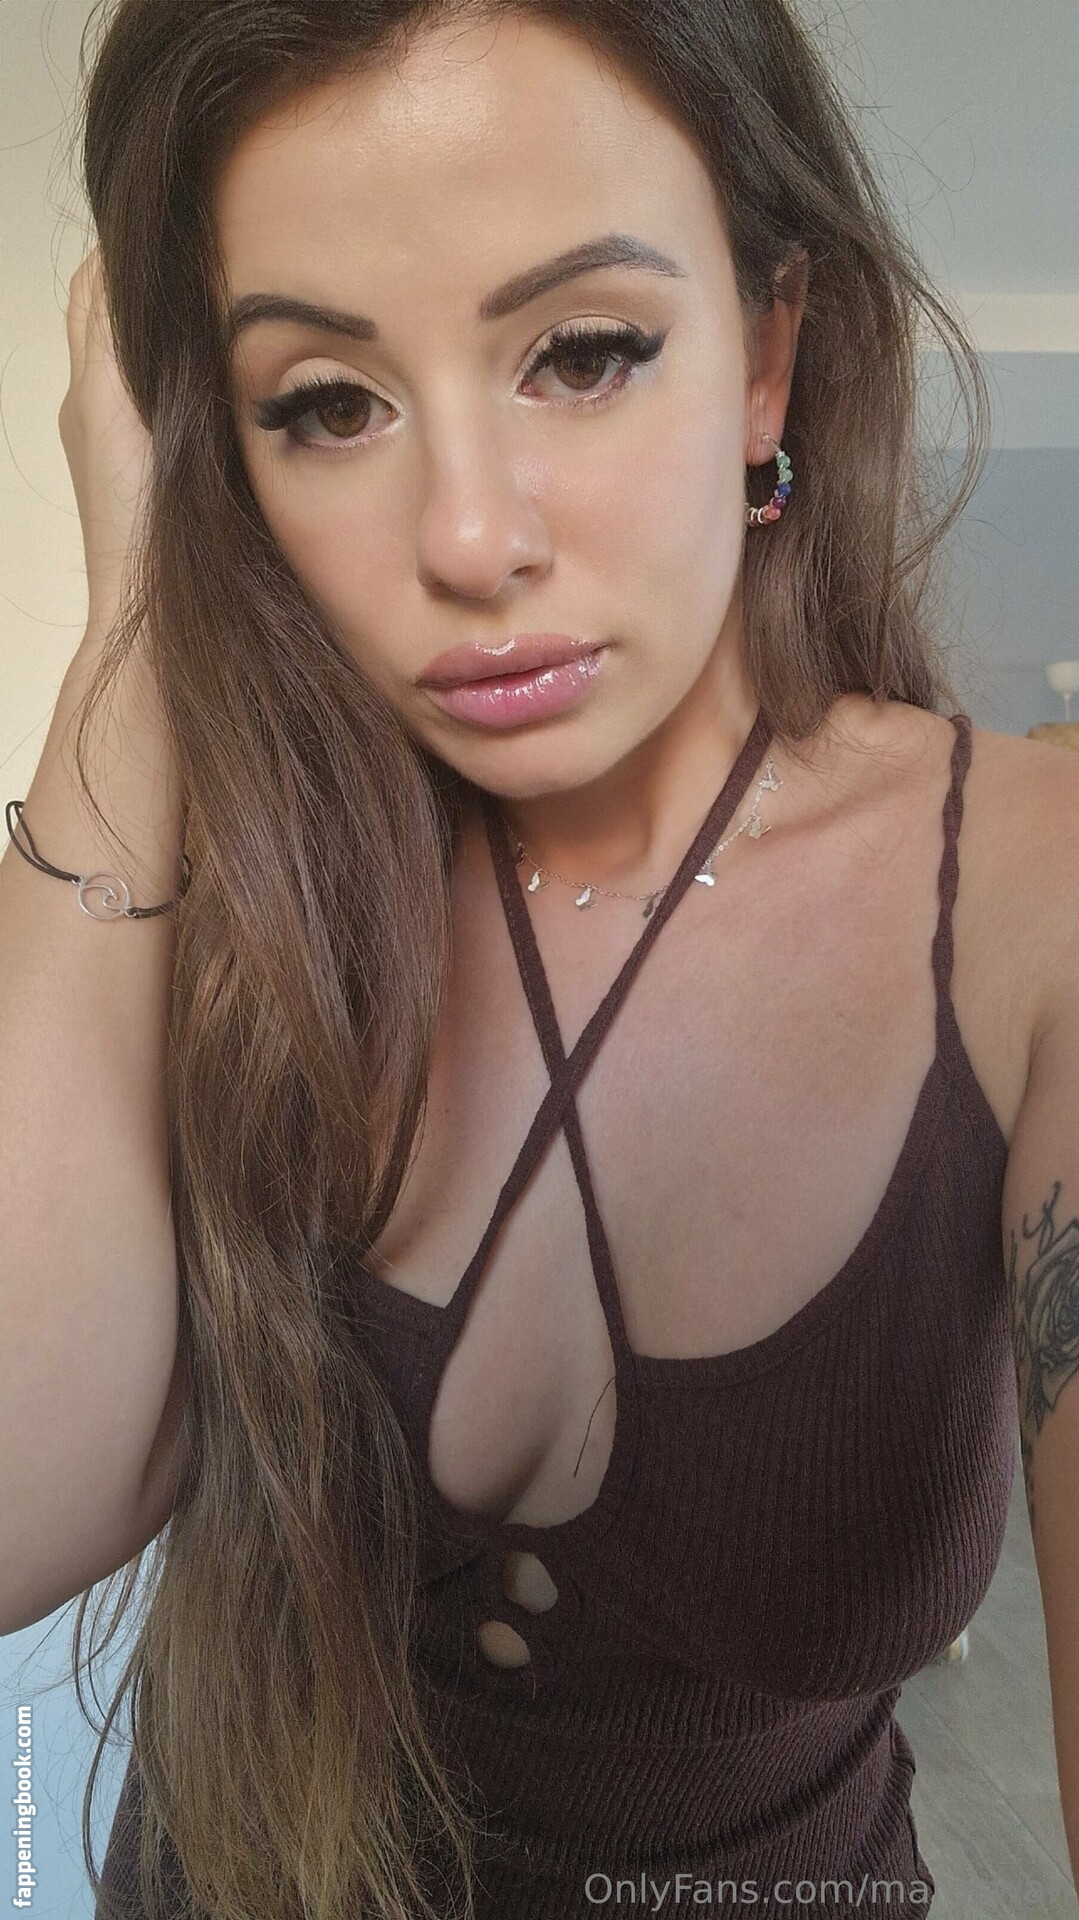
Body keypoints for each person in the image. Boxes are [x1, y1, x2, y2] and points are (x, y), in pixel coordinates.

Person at [1, 2, 1076, 1916]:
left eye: (583, 354)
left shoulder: (1028, 901)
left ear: (767, 356)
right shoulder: (226, 874)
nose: (470, 539)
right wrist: (137, 628)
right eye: (326, 403)